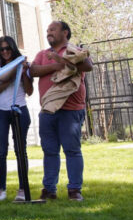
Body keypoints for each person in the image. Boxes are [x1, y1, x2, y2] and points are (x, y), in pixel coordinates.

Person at [30, 21, 93, 201]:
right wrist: (54, 66)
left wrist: (63, 60)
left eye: (53, 30)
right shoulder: (43, 54)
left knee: (72, 150)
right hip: (48, 110)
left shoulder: (74, 50)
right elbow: (33, 70)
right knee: (49, 151)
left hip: (70, 109)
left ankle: (74, 190)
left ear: (65, 32)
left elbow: (87, 66)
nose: (49, 32)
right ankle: (49, 189)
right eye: (47, 30)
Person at [0, 36, 34, 202]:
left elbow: (29, 91)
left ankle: (23, 188)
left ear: (14, 48)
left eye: (8, 48)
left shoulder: (23, 65)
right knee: (1, 151)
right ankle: (1, 188)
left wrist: (22, 74)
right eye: (2, 49)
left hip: (19, 109)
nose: (5, 52)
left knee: (20, 150)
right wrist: (10, 77)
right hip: (1, 111)